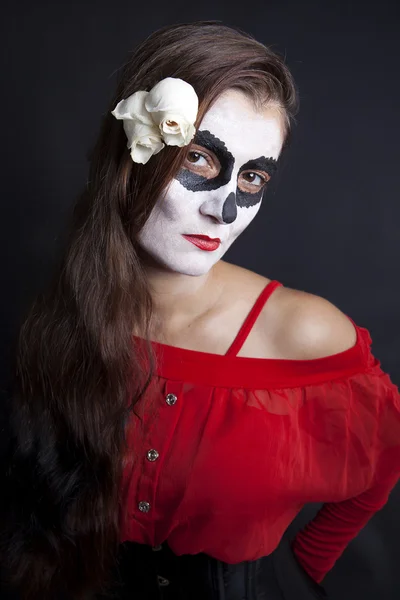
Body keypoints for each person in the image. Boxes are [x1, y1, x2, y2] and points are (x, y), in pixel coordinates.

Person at [1, 19, 399, 600]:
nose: (226, 209)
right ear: (133, 150)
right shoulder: (61, 307)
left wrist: (310, 559)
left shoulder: (304, 331)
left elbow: (382, 457)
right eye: (201, 160)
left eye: (254, 177)